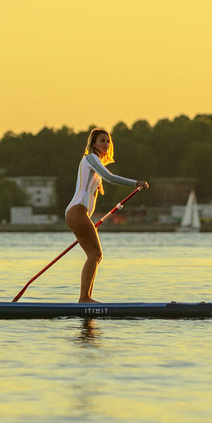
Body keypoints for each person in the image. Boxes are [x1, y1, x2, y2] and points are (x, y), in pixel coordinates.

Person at [64, 128, 149, 303]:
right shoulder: (90, 158)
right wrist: (136, 183)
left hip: (79, 214)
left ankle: (85, 299)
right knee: (94, 254)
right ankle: (84, 298)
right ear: (93, 144)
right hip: (77, 212)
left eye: (108, 141)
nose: (106, 144)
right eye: (102, 141)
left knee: (96, 255)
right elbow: (110, 178)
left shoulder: (95, 163)